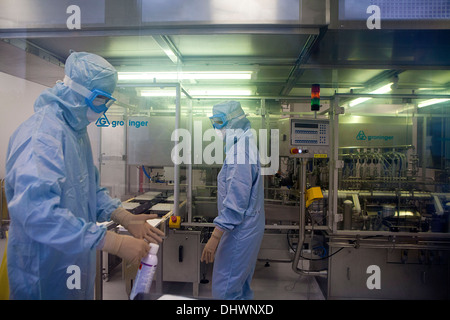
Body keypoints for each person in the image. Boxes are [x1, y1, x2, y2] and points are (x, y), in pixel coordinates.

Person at [4, 51, 164, 300]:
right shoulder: (41, 136)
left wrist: (121, 215)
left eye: (107, 101)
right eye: (100, 99)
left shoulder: (75, 134)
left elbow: (88, 189)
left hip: (74, 266)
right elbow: (38, 216)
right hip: (43, 274)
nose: (103, 108)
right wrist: (113, 243)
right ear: (76, 90)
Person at [201, 101, 265, 300]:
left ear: (234, 121)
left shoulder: (240, 152)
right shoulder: (244, 146)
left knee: (226, 291)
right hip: (246, 227)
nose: (216, 128)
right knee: (239, 286)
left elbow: (237, 200)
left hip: (240, 229)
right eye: (213, 122)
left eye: (220, 122)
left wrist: (215, 237)